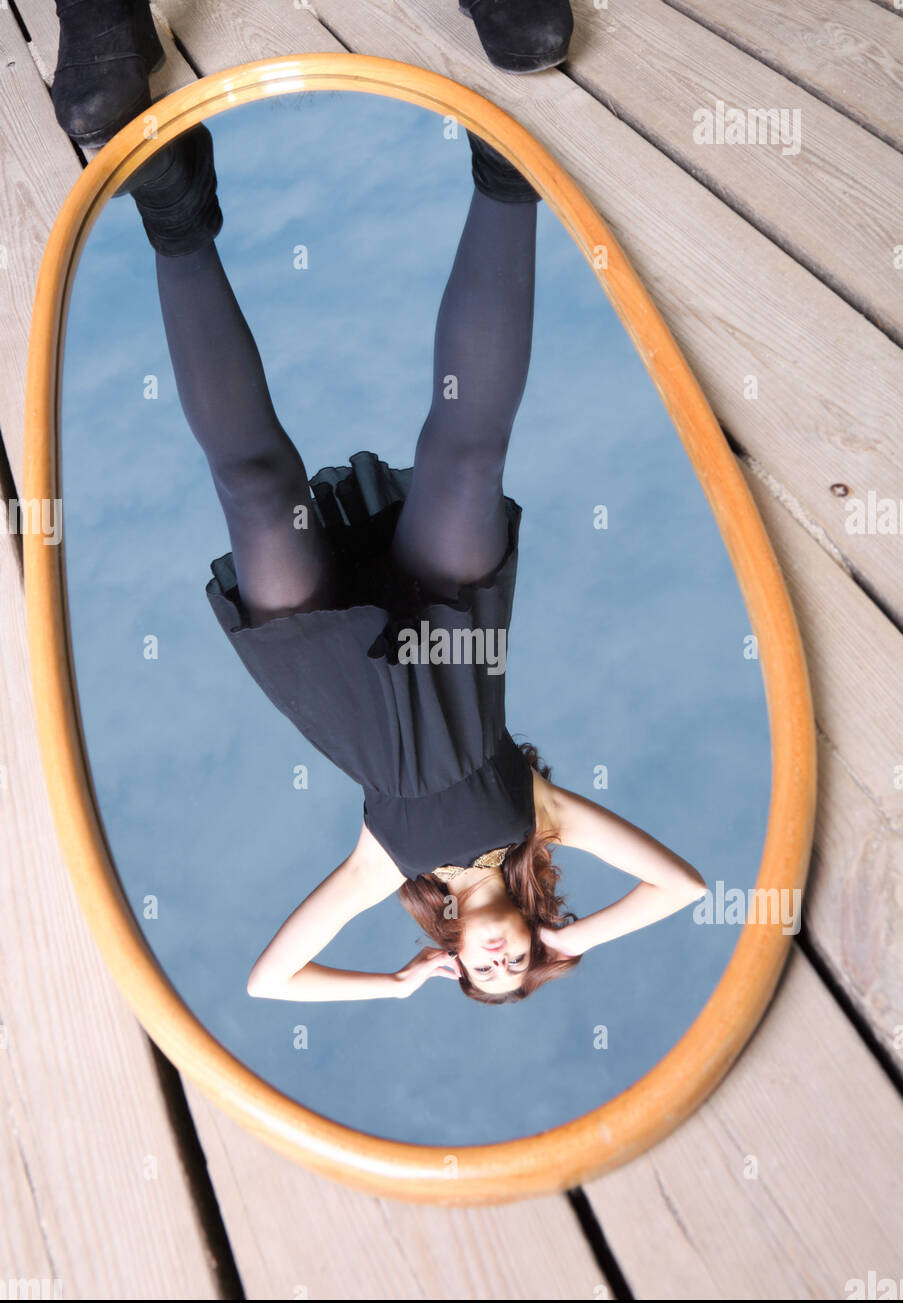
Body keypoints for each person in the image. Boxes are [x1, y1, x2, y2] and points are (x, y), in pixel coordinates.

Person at [51, 0, 707, 1005]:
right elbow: (680, 888)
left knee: (257, 490)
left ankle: (177, 215)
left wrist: (402, 982)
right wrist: (573, 947)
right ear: (535, 937)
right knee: (465, 458)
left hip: (331, 666)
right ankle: (504, 176)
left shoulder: (383, 867)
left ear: (459, 959)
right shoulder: (541, 818)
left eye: (482, 979)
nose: (502, 965)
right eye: (521, 967)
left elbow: (273, 982)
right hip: (455, 635)